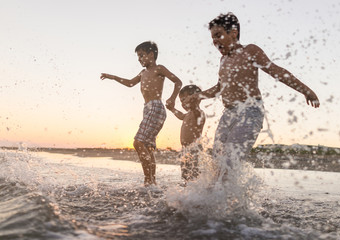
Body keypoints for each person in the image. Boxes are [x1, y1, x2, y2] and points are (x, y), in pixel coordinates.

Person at [185, 13, 320, 181]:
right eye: (213, 38)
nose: (215, 41)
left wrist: (306, 90)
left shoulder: (250, 51)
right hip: (228, 114)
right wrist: (200, 96)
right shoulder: (223, 60)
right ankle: (215, 201)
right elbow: (220, 87)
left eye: (219, 35)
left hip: (250, 112)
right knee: (217, 162)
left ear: (233, 33)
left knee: (229, 162)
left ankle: (227, 202)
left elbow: (276, 71)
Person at [101, 41, 182, 186]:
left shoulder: (159, 68)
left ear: (151, 54)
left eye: (141, 55)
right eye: (138, 57)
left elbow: (178, 81)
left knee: (138, 142)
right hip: (147, 108)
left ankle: (148, 179)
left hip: (156, 107)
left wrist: (172, 98)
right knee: (147, 147)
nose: (139, 59)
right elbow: (130, 83)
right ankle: (151, 182)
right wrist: (112, 77)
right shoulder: (143, 73)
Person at [167, 85, 206, 182]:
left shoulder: (198, 113)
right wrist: (172, 109)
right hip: (185, 149)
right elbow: (181, 116)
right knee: (185, 173)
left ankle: (196, 189)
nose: (182, 103)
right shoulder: (187, 114)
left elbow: (195, 110)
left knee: (194, 172)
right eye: (181, 101)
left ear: (195, 99)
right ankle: (187, 190)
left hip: (194, 148)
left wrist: (193, 103)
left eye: (184, 99)